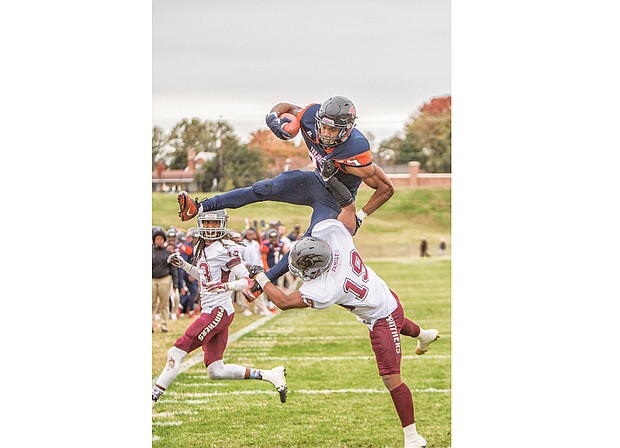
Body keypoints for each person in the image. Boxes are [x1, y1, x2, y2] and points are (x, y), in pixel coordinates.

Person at [244, 218, 439, 448]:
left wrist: (260, 277)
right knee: (398, 321)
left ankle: (413, 438)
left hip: (381, 314)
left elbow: (285, 302)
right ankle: (423, 335)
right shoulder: (338, 239)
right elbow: (347, 209)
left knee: (390, 377)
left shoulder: (325, 288)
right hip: (383, 293)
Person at [177, 95, 395, 297]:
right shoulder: (311, 116)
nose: (326, 133)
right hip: (314, 181)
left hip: (335, 199)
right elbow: (288, 107)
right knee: (264, 188)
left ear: (346, 130)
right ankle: (199, 207)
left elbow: (386, 188)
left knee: (308, 243)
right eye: (324, 127)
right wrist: (273, 117)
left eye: (332, 130)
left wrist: (360, 216)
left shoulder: (356, 150)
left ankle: (262, 283)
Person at [152, 209, 287, 407]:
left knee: (176, 352)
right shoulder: (203, 247)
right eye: (207, 223)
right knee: (216, 370)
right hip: (215, 310)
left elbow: (245, 280)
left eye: (215, 224)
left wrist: (226, 286)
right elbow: (205, 278)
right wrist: (184, 265)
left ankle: (152, 398)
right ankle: (270, 375)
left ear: (222, 225)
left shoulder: (226, 248)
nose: (210, 228)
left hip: (217, 310)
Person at [152, 227, 178, 332]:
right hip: (152, 279)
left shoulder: (168, 253)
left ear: (164, 240)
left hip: (165, 279)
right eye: (157, 239)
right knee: (152, 303)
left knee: (164, 303)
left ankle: (164, 325)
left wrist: (175, 283)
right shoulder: (151, 252)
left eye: (161, 239)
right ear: (154, 240)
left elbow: (173, 269)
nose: (159, 241)